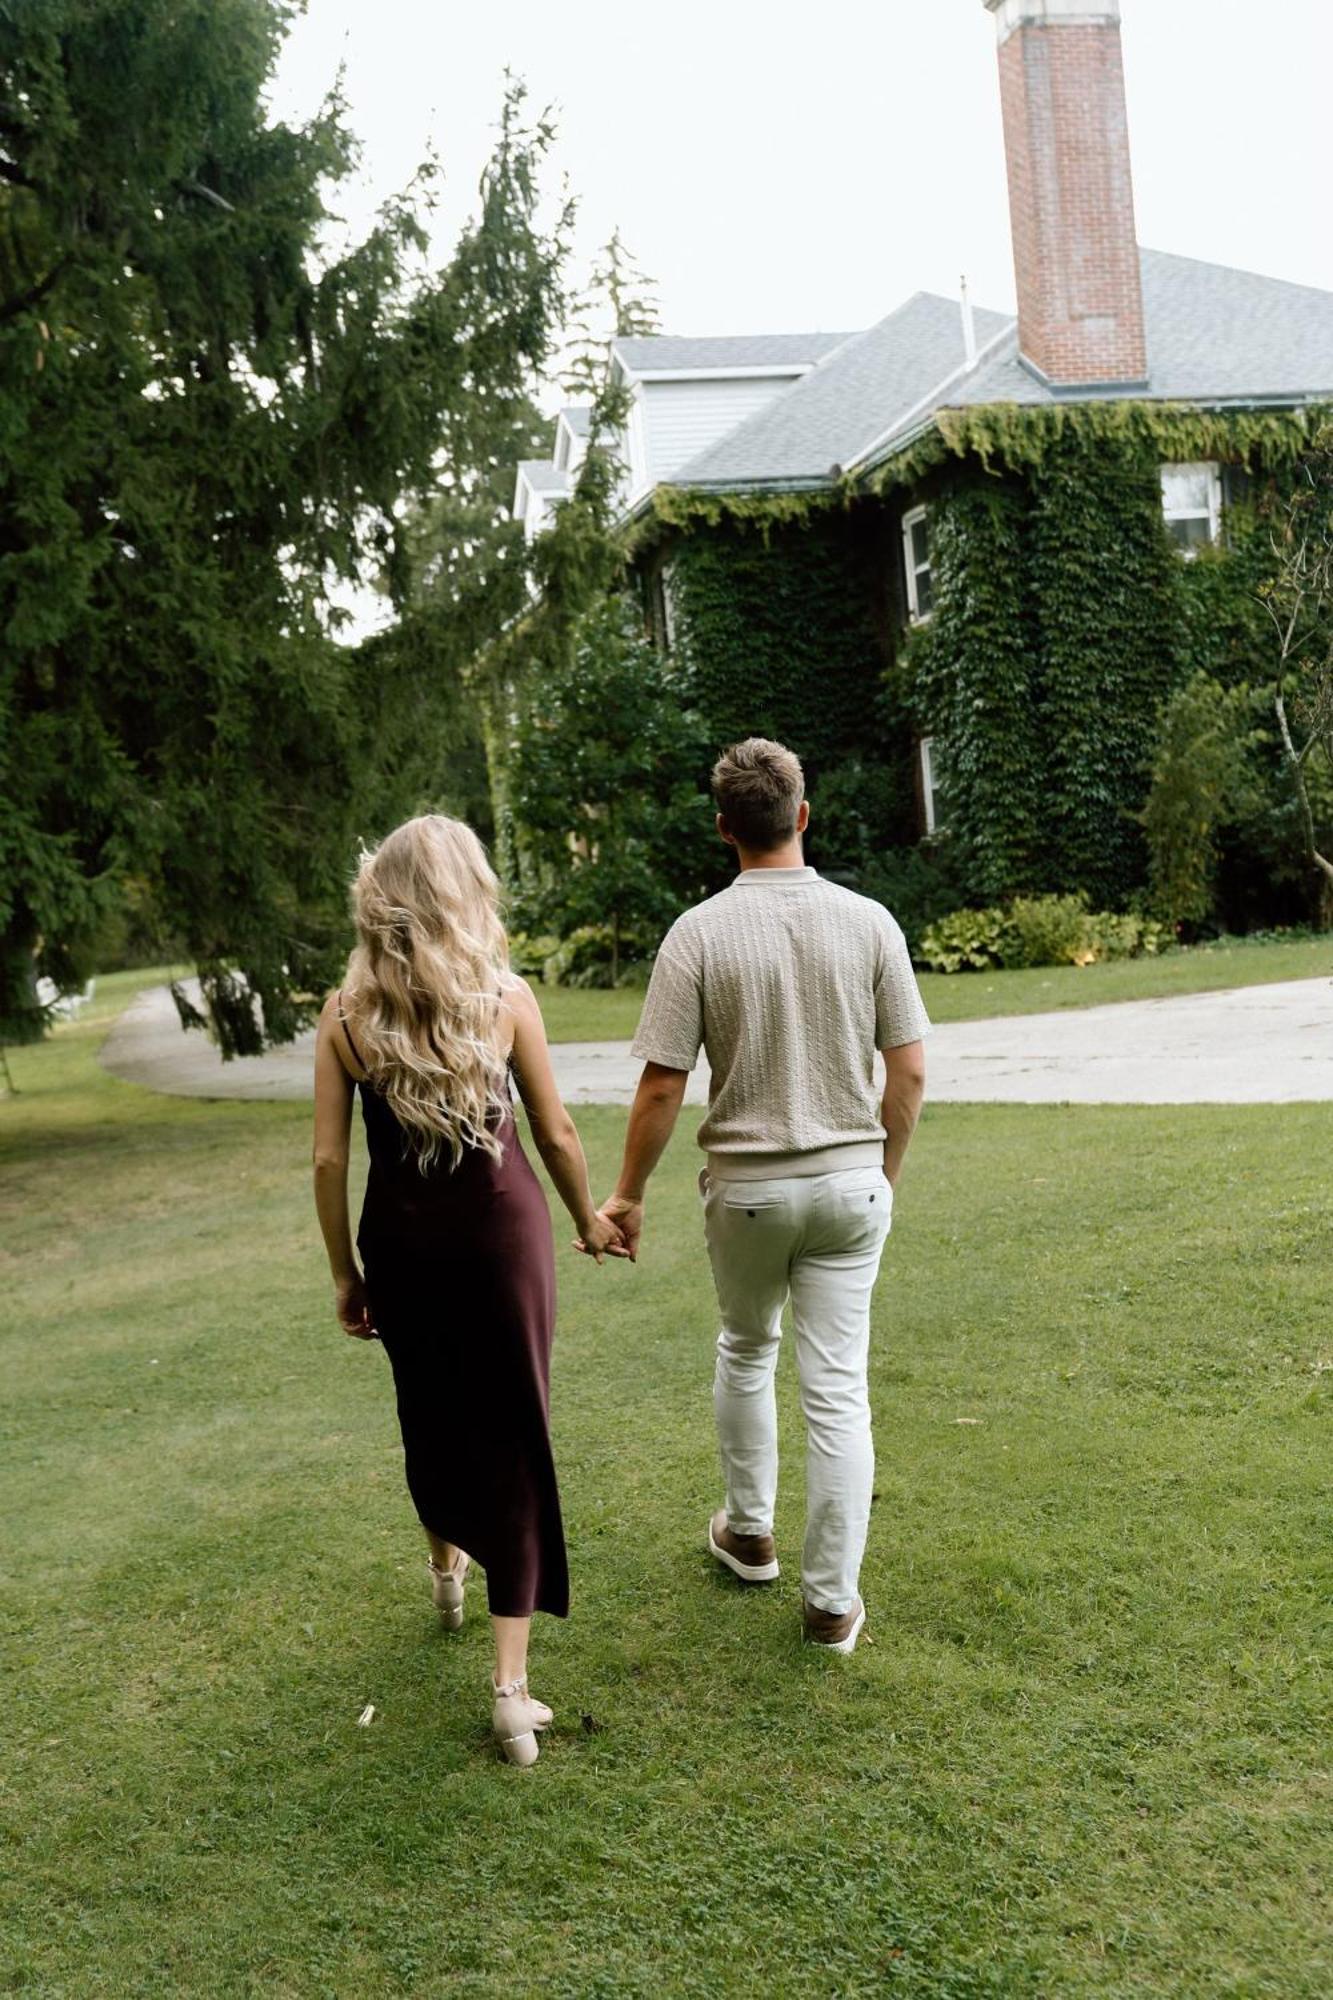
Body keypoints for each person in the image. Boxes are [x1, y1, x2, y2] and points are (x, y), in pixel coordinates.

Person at [594, 738, 928, 1653]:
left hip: (744, 1190)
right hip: (851, 1183)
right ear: (802, 816)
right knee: (837, 1392)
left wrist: (625, 1196)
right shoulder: (869, 922)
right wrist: (880, 1174)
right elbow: (907, 1072)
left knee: (746, 1348)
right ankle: (830, 1603)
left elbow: (662, 1086)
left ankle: (747, 1531)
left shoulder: (697, 933)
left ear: (722, 829)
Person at [312, 815, 625, 1766]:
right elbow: (558, 1133)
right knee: (514, 1432)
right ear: (466, 895)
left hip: (402, 1249)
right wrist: (586, 1218)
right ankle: (509, 1693)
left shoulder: (344, 1019)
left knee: (433, 1410)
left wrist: (344, 1271)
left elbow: (329, 1157)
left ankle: (447, 1568)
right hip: (501, 1243)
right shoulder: (506, 998)